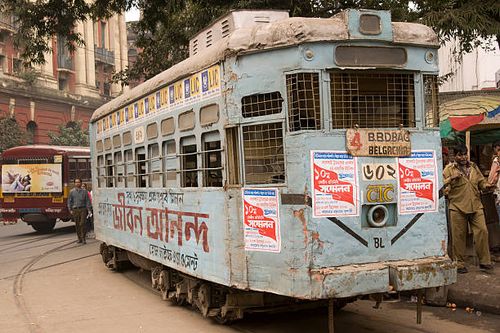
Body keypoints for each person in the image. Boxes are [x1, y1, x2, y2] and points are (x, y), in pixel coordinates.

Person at [443, 145, 494, 273]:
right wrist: (451, 179)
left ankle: (485, 261)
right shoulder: (449, 169)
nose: (464, 157)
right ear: (454, 156)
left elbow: (481, 182)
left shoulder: (473, 167)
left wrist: (487, 186)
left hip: (476, 205)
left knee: (482, 231)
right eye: (460, 154)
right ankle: (459, 263)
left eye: (465, 154)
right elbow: (442, 186)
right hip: (457, 206)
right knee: (458, 236)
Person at [68, 178, 91, 244]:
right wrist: (70, 209)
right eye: (76, 182)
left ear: (81, 183)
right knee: (77, 224)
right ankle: (79, 238)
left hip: (83, 209)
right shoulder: (71, 192)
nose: (77, 183)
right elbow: (69, 201)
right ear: (74, 183)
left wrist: (89, 210)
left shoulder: (84, 191)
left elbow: (87, 201)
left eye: (78, 182)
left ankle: (83, 238)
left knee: (82, 223)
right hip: (75, 210)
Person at [487, 142, 500, 218]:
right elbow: (491, 181)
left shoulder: (496, 161)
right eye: (498, 150)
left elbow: (490, 181)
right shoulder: (496, 162)